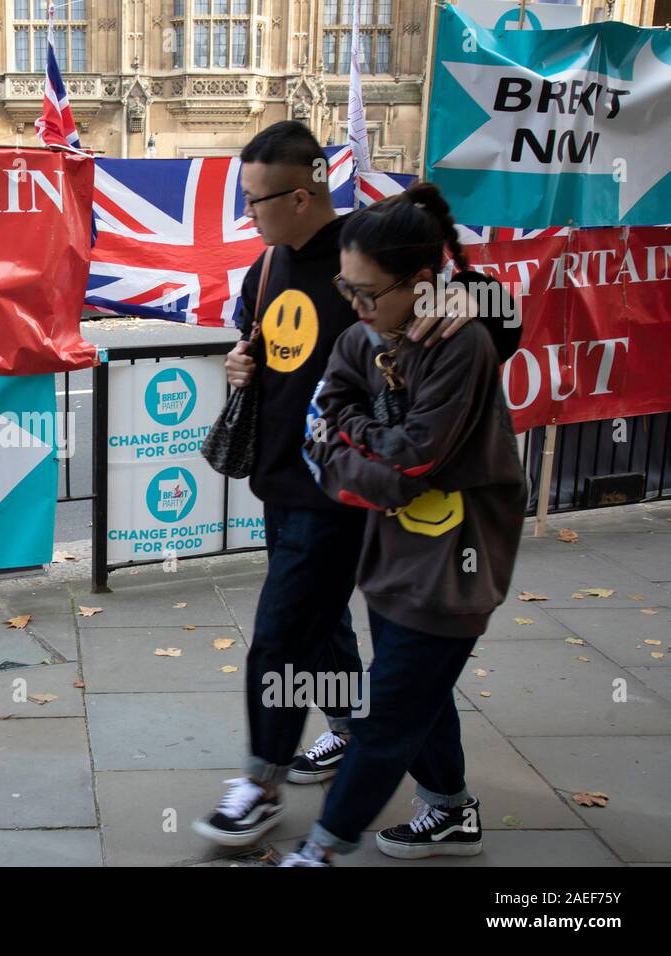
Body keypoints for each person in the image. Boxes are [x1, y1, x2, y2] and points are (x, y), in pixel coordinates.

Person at [192, 122, 520, 848]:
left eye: (256, 200)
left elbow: (497, 322)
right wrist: (242, 365)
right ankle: (402, 767)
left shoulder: (379, 250)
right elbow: (269, 350)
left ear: (301, 194)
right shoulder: (268, 268)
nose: (248, 215)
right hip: (289, 483)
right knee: (336, 643)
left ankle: (260, 781)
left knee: (288, 640)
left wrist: (472, 305)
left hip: (357, 498)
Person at [278, 181, 527, 866]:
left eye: (366, 292)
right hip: (394, 557)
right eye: (345, 288)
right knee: (418, 692)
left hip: (454, 564)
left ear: (422, 281)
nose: (353, 308)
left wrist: (341, 444)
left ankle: (321, 850)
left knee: (385, 714)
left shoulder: (459, 342)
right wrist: (350, 443)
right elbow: (324, 414)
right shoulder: (368, 333)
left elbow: (402, 467)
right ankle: (448, 809)